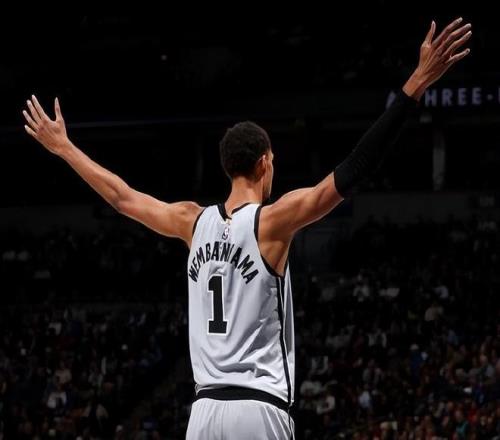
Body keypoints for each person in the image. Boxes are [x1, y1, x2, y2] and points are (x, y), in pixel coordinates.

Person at [22, 18, 471, 440]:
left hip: (203, 413)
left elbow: (122, 197)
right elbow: (353, 171)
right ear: (263, 163)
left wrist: (64, 148)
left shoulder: (191, 221)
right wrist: (414, 85)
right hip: (258, 408)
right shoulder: (271, 221)